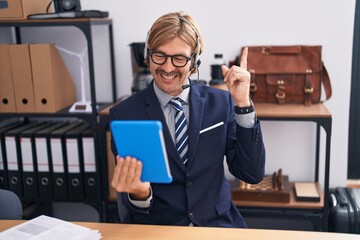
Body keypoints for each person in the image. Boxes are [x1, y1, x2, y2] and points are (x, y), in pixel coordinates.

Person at [110, 11, 266, 228]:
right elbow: (130, 210)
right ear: (148, 55)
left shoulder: (221, 103)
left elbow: (251, 173)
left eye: (179, 58)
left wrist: (243, 104)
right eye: (159, 55)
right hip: (161, 230)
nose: (167, 67)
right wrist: (139, 193)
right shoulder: (125, 115)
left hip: (217, 226)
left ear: (194, 62)